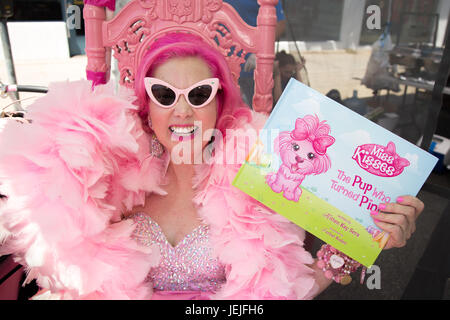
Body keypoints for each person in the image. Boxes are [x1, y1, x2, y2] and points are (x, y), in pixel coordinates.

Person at [0, 32, 425, 300]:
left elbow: (281, 289)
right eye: (165, 95)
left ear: (220, 101)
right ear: (147, 107)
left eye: (199, 93)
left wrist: (360, 241)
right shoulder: (110, 179)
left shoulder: (262, 178)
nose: (182, 112)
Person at [224, 0, 286, 108]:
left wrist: (259, 50)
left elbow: (280, 24)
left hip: (251, 70)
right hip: (219, 66)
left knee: (253, 118)